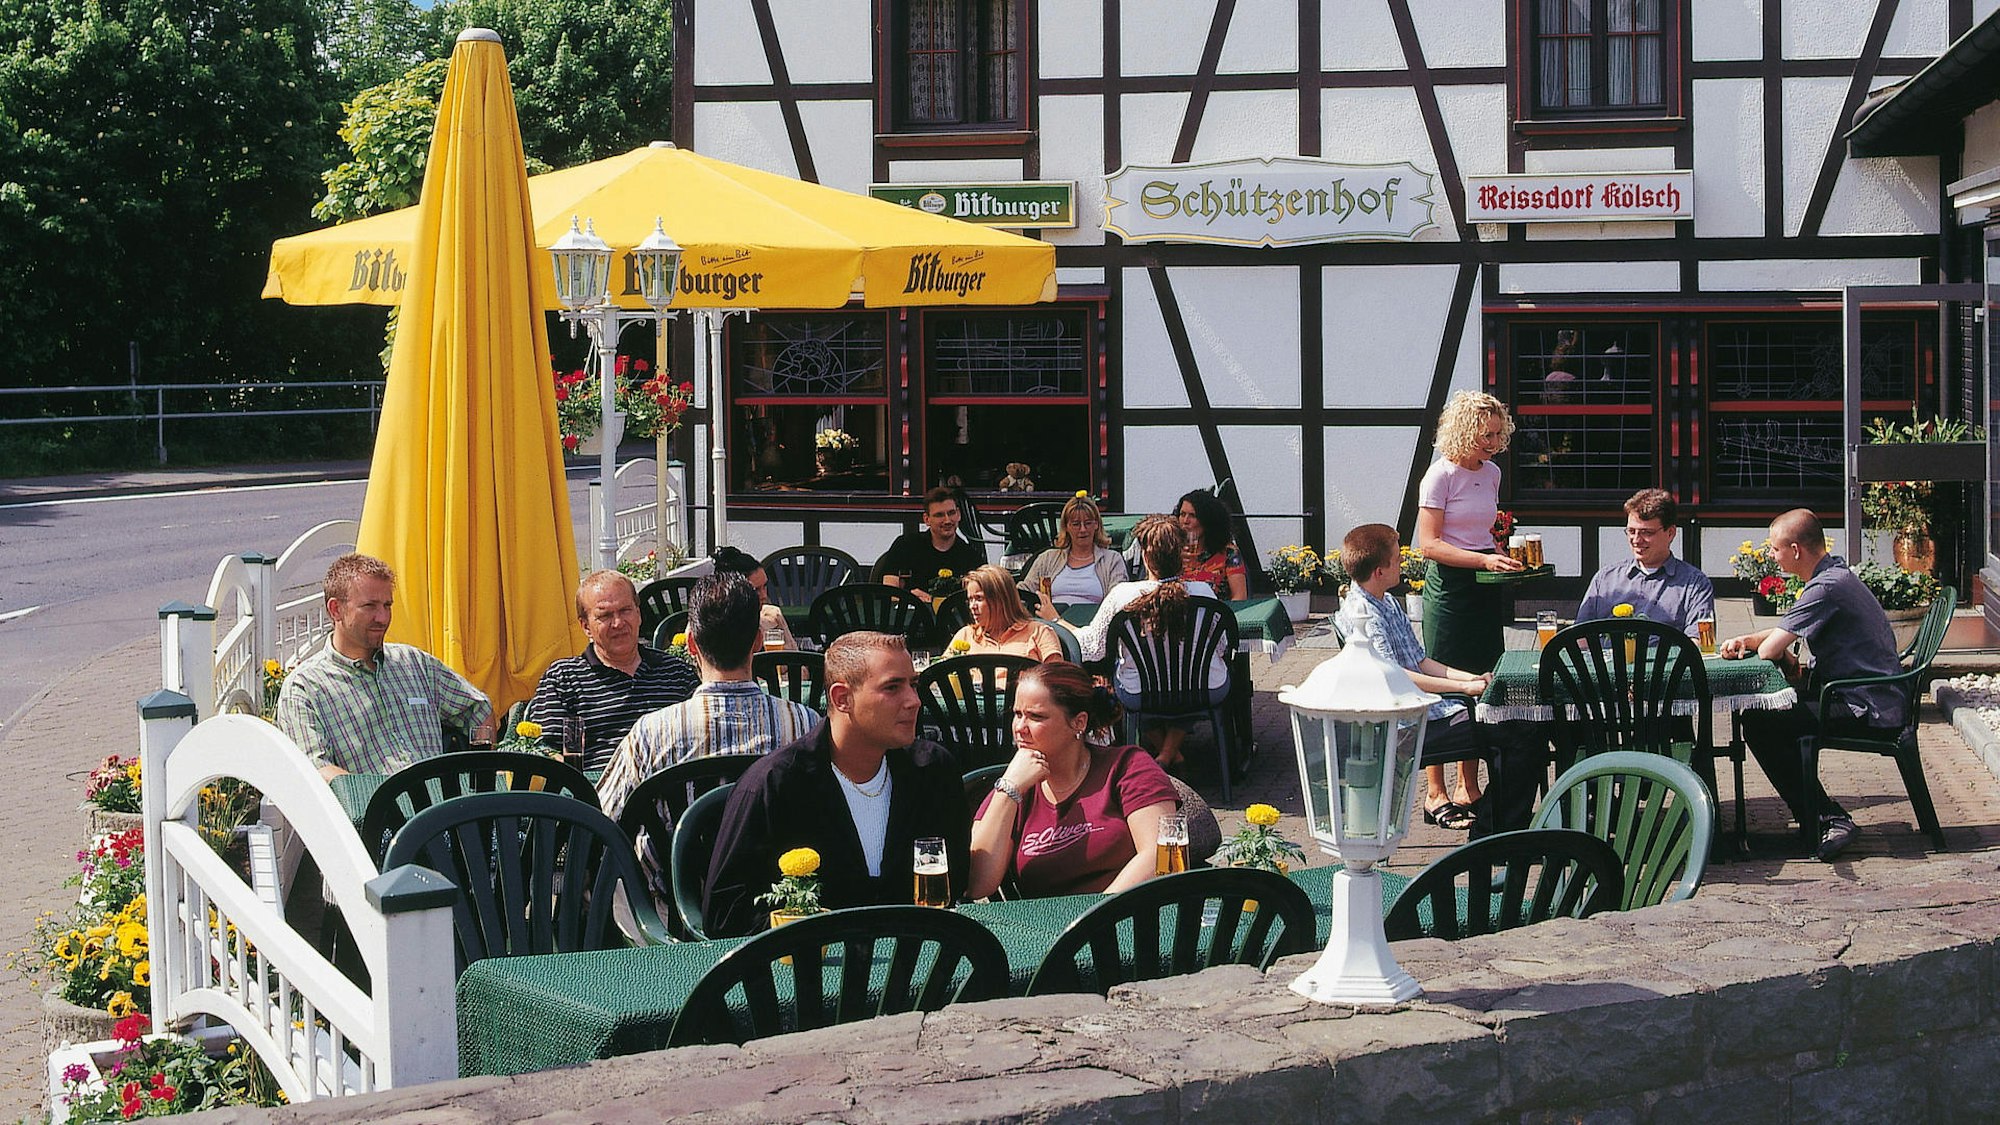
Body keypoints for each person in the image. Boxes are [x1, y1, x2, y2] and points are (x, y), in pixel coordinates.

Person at [702, 631, 971, 936]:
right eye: (892, 688)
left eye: (913, 685)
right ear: (842, 699)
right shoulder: (774, 784)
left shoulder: (934, 771)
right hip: (810, 973)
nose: (914, 701)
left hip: (918, 963)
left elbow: (956, 879)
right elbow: (725, 915)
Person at [596, 575, 821, 903]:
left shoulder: (652, 734)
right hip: (778, 911)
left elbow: (602, 821)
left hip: (670, 916)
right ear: (757, 642)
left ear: (691, 645)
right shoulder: (805, 726)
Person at [1720, 509, 1903, 861]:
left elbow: (1773, 647)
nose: (1772, 557)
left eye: (1775, 550)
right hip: (1871, 694)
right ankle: (1818, 815)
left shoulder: (1825, 587)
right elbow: (1782, 640)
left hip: (1865, 705)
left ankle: (1827, 817)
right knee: (1768, 719)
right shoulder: (1834, 576)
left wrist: (1757, 643)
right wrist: (1753, 639)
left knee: (1759, 722)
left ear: (1795, 549)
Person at [1336, 523, 1522, 833]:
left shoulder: (1386, 601)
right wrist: (1464, 688)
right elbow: (1394, 676)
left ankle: (1499, 824)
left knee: (1510, 721)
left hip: (1425, 711)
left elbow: (1421, 661)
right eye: (1396, 560)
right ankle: (1496, 830)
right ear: (1380, 571)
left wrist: (1474, 678)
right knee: (1512, 731)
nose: (1403, 564)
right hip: (1408, 724)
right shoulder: (1360, 613)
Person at [967, 661, 1179, 898]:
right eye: (1017, 714)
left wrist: (1095, 919)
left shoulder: (1126, 767)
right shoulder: (1014, 787)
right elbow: (977, 885)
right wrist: (1007, 790)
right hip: (1045, 927)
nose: (1020, 728)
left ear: (1079, 722)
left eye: (1036, 717)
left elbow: (1160, 855)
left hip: (1126, 917)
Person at [274, 553, 492, 779]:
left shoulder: (414, 663)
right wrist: (375, 799)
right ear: (335, 610)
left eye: (387, 605)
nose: (382, 617)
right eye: (369, 606)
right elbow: (315, 770)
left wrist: (478, 779)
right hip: (376, 810)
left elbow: (478, 708)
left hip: (445, 809)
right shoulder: (305, 688)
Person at [1040, 515, 1225, 772]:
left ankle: (1163, 756)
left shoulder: (1123, 595)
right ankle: (1171, 753)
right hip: (1203, 688)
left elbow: (1092, 648)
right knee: (1192, 686)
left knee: (1125, 687)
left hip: (1141, 691)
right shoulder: (1204, 592)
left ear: (1145, 556)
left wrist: (1058, 619)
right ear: (1182, 554)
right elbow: (1221, 648)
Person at [1414, 391, 1523, 818]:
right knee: (1444, 685)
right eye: (1485, 434)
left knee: (1482, 681)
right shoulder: (1439, 476)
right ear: (1462, 431)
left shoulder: (1492, 473)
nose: (1494, 442)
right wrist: (1483, 557)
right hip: (1449, 589)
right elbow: (1429, 545)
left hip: (1483, 584)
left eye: (1499, 434)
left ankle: (1468, 786)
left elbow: (1480, 534)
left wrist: (1500, 558)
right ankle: (1434, 791)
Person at [523, 570, 700, 772]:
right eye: (605, 615)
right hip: (593, 796)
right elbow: (543, 750)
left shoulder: (676, 673)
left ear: (639, 614)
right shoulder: (565, 679)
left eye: (625, 610)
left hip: (669, 791)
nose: (618, 623)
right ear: (585, 626)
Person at [1575, 489, 1715, 635]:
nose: (1636, 540)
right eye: (1631, 531)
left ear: (1670, 533)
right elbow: (1580, 638)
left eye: (1646, 533)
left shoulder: (1695, 584)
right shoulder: (1605, 579)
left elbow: (1698, 642)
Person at [872, 487, 988, 602]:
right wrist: (910, 600)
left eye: (951, 513)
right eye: (939, 515)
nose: (947, 520)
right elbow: (889, 593)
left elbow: (980, 600)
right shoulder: (905, 545)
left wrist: (933, 601)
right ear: (927, 519)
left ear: (959, 515)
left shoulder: (971, 557)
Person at [1023, 495, 1127, 606]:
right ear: (1066, 526)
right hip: (1049, 621)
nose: (1082, 530)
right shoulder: (1047, 559)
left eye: (1088, 523)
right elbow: (1023, 591)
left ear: (1096, 524)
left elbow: (1118, 599)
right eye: (1076, 524)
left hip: (1092, 621)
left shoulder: (1112, 560)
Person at [950, 564, 1061, 662]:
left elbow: (1058, 679)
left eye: (979, 598)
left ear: (1001, 600)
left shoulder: (1039, 632)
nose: (972, 606)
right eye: (970, 599)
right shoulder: (965, 635)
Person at [711, 545, 798, 651]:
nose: (764, 595)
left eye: (765, 587)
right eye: (756, 590)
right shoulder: (709, 624)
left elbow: (798, 663)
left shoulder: (772, 616)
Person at [1175, 490, 1248, 600]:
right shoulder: (1171, 551)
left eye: (1193, 515)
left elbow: (1240, 596)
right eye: (1182, 514)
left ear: (1207, 520)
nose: (1185, 521)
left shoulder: (1228, 552)